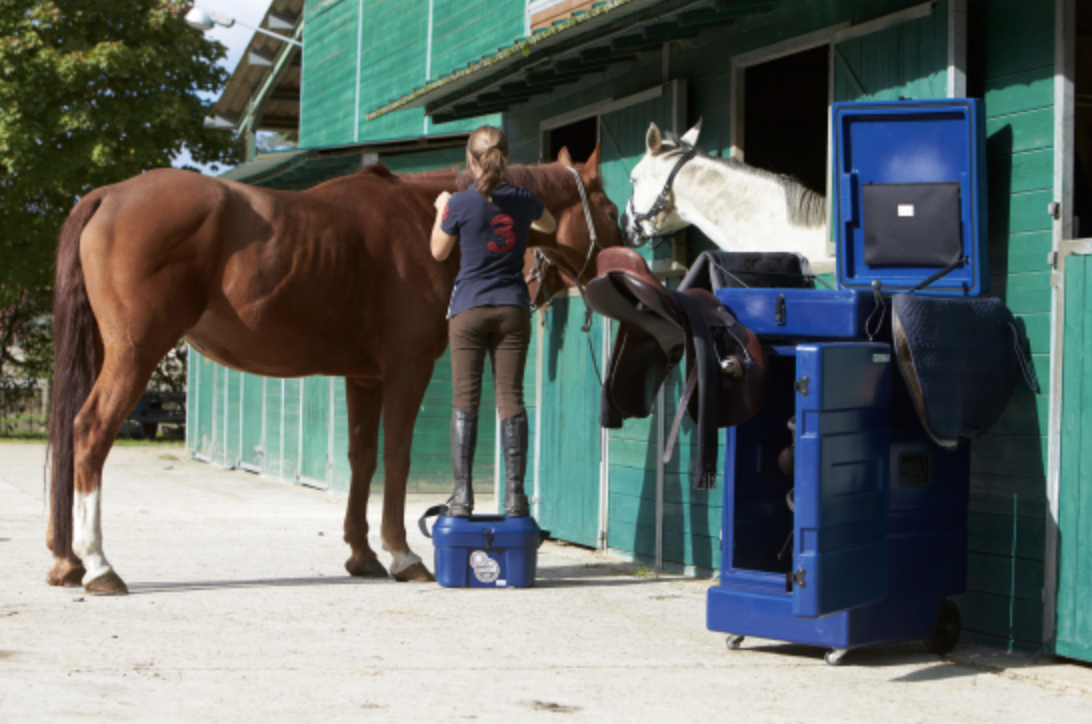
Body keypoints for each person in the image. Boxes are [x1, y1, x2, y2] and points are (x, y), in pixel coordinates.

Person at [431, 125, 556, 517]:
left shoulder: (459, 203)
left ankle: (463, 497)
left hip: (468, 308)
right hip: (513, 309)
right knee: (511, 398)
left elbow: (438, 251)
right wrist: (521, 219)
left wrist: (440, 210)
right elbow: (549, 225)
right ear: (505, 158)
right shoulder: (523, 199)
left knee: (466, 400)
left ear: (472, 160)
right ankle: (516, 499)